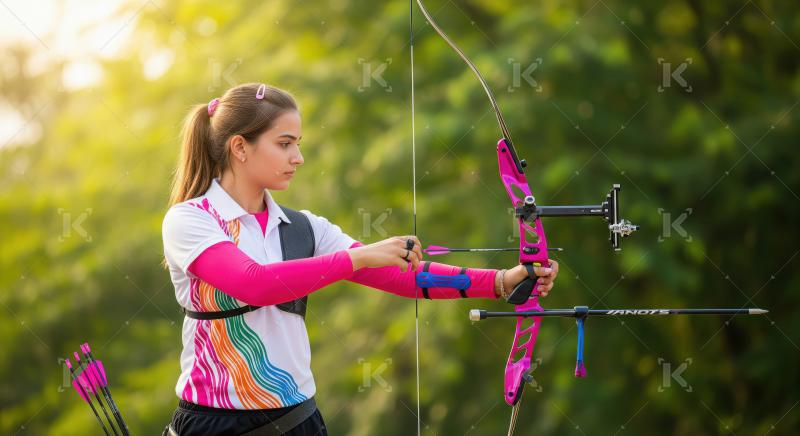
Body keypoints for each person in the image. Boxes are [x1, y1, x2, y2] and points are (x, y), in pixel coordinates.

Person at [160, 83, 559, 435]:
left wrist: (501, 281)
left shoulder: (302, 228)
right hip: (217, 424)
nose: (297, 157)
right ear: (240, 147)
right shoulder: (190, 220)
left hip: (298, 420)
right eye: (284, 144)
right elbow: (255, 283)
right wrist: (359, 258)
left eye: (299, 143)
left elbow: (402, 277)